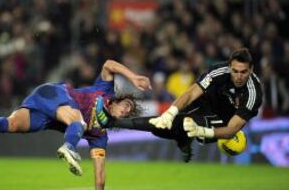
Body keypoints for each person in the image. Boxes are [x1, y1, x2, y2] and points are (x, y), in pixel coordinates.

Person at [0, 59, 151, 190]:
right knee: (79, 121)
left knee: (12, 124)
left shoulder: (100, 135)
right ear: (118, 100)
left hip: (47, 115)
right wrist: (133, 77)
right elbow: (109, 64)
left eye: (129, 111)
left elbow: (100, 172)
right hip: (54, 93)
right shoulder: (105, 90)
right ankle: (69, 147)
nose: (127, 110)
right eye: (127, 104)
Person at [95, 48, 262, 162]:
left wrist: (201, 131)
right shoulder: (219, 71)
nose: (238, 76)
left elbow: (232, 129)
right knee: (162, 125)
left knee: (179, 125)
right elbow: (190, 93)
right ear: (229, 66)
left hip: (221, 121)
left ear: (251, 69)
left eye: (243, 72)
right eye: (235, 71)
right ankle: (183, 142)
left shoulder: (253, 94)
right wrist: (170, 112)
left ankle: (111, 122)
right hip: (204, 103)